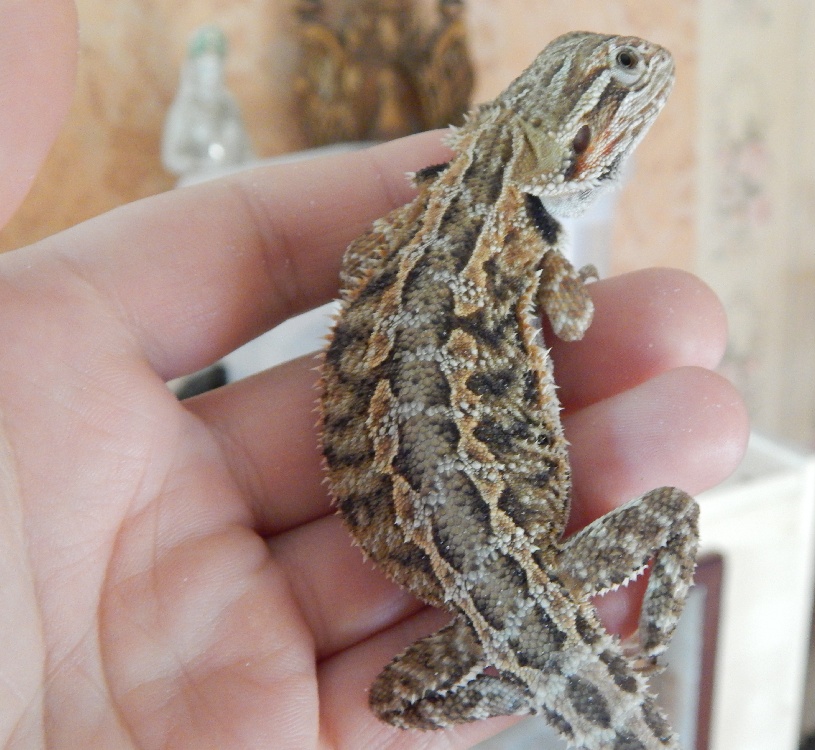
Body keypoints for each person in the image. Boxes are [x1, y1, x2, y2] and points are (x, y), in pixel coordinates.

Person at [0, 2, 748, 747]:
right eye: (621, 74)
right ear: (577, 145)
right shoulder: (526, 248)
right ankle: (645, 649)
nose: (644, 73)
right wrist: (563, 279)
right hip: (518, 559)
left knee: (413, 696)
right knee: (672, 515)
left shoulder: (420, 221)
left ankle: (541, 682)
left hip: (467, 560)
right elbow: (576, 322)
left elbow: (361, 263)